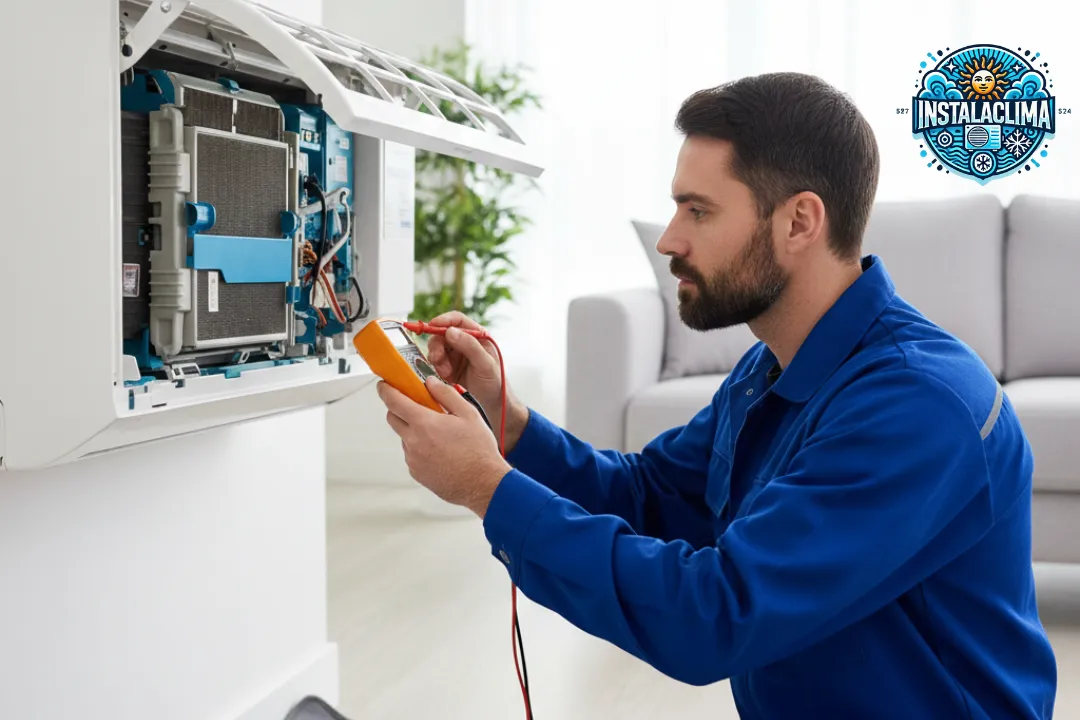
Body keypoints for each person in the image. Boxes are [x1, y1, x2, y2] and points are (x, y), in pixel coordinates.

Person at [375, 72, 1058, 718]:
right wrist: (509, 424)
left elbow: (715, 615)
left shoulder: (917, 406)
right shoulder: (773, 367)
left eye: (698, 211)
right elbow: (651, 497)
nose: (670, 239)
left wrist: (487, 489)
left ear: (799, 223)